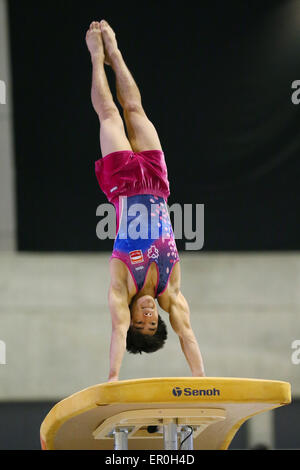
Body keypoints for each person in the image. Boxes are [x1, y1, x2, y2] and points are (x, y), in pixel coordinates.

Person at [85, 20, 205, 382]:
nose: (147, 315)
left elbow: (117, 330)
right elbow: (186, 332)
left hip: (122, 184)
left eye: (141, 321)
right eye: (153, 322)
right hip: (157, 182)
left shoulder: (123, 286)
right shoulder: (171, 292)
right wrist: (201, 379)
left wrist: (113, 377)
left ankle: (95, 56)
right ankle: (116, 53)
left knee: (109, 114)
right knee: (134, 108)